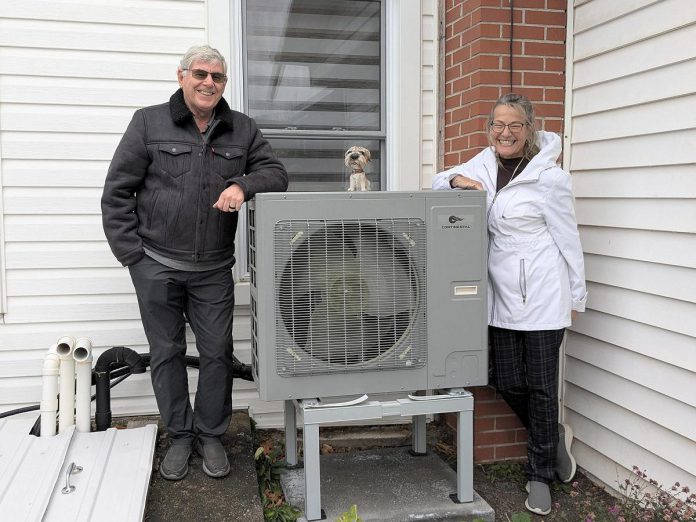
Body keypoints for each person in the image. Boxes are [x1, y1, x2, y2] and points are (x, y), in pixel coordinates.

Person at [101, 45, 288, 481]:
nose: (208, 83)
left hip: (213, 270)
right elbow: (116, 193)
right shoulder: (148, 122)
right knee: (166, 353)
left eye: (217, 77)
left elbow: (275, 172)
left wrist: (243, 184)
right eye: (200, 74)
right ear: (182, 75)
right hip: (156, 264)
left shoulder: (241, 129)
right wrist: (134, 258)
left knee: (216, 354)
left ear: (224, 83)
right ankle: (180, 435)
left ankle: (210, 435)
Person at [432, 93, 587, 516]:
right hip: (498, 293)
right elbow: (437, 181)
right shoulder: (483, 163)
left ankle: (540, 474)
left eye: (514, 125)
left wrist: (576, 294)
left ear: (529, 129)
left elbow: (568, 238)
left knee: (539, 386)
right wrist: (457, 182)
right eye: (498, 125)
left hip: (541, 293)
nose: (505, 133)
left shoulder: (548, 178)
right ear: (490, 129)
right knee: (501, 377)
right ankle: (551, 436)